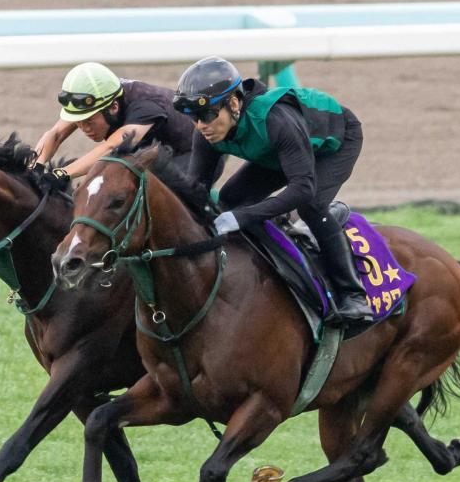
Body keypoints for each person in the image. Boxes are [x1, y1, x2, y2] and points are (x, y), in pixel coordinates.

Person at [172, 56, 372, 326]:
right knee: (232, 199)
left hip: (335, 143)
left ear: (233, 104)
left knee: (310, 206)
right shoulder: (206, 133)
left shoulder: (277, 121)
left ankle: (353, 295)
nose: (200, 125)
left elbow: (301, 188)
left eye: (206, 114)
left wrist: (242, 218)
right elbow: (195, 191)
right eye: (193, 117)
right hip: (281, 153)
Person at [31, 62, 198, 192]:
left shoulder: (144, 107)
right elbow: (56, 134)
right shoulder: (103, 97)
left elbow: (111, 147)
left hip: (191, 150)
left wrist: (62, 174)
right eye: (78, 122)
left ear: (113, 108)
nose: (84, 128)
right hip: (154, 149)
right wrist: (34, 168)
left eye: (89, 121)